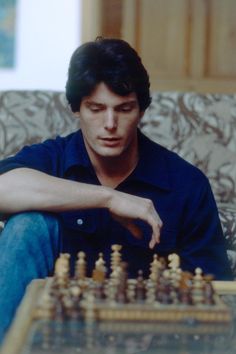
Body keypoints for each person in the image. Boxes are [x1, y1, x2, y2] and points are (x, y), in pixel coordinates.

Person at [0, 38, 232, 342]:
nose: (110, 124)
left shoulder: (186, 184)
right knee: (27, 226)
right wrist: (108, 198)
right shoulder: (53, 158)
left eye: (124, 109)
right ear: (76, 109)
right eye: (96, 109)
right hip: (57, 336)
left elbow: (216, 296)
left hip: (148, 341)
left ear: (142, 110)